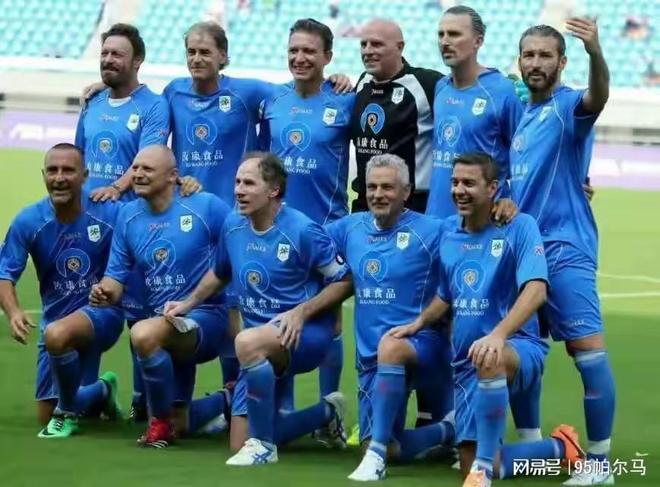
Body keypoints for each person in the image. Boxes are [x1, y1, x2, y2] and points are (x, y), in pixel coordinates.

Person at [398, 153, 581, 487]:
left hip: (517, 348)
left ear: (493, 188)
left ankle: (481, 471)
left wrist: (498, 335)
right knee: (477, 464)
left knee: (490, 361)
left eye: (469, 183)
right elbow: (446, 295)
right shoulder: (449, 234)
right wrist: (418, 323)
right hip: (466, 362)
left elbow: (537, 289)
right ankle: (558, 448)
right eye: (455, 182)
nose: (459, 190)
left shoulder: (519, 226)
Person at [164, 152, 352, 465]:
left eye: (249, 183)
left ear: (274, 190)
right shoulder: (233, 224)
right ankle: (326, 412)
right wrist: (187, 303)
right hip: (255, 346)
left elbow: (345, 281)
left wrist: (301, 313)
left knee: (247, 342)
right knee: (238, 443)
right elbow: (221, 273)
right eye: (237, 182)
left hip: (303, 335)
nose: (238, 190)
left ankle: (264, 447)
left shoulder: (303, 230)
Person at [511, 21, 615, 486]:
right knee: (523, 353)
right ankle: (532, 448)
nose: (536, 63)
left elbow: (598, 97)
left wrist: (595, 51)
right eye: (529, 55)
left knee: (586, 351)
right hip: (524, 254)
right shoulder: (522, 114)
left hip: (565, 248)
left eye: (545, 55)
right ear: (520, 60)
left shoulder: (568, 106)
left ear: (561, 62)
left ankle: (600, 464)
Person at [89, 145, 232, 448]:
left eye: (147, 169)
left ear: (172, 176)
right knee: (183, 423)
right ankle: (227, 400)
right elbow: (115, 277)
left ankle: (159, 424)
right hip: (164, 320)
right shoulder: (128, 215)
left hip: (206, 318)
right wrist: (104, 292)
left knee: (142, 334)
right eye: (135, 168)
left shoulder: (206, 206)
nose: (138, 174)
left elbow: (239, 244)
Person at [325, 154, 454, 481]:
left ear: (406, 192)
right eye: (372, 187)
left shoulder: (432, 230)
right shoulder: (350, 227)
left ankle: (377, 457)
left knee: (391, 347)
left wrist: (503, 210)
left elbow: (473, 238)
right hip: (371, 361)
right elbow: (306, 239)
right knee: (383, 446)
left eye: (387, 187)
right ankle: (449, 429)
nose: (378, 194)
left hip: (421, 346)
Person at [258, 18, 354, 420]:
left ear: (327, 56)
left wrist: (346, 80)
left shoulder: (345, 101)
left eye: (309, 51)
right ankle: (285, 408)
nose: (300, 58)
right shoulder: (273, 101)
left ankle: (330, 409)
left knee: (329, 319)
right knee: (279, 312)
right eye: (294, 50)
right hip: (280, 230)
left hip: (328, 227)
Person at [0, 143, 123, 437]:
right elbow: (4, 273)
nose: (59, 178)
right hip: (55, 321)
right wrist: (13, 312)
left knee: (65, 401)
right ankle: (103, 390)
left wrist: (183, 184)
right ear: (43, 175)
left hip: (103, 315)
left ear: (84, 175)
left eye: (68, 170)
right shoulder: (29, 221)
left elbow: (147, 214)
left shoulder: (108, 212)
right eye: (52, 170)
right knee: (46, 413)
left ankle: (68, 411)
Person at [426, 6, 522, 222]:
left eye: (454, 34)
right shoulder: (441, 87)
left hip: (483, 223)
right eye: (441, 34)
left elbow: (525, 154)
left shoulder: (503, 91)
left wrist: (511, 200)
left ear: (478, 41)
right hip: (437, 221)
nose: (445, 41)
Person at [350, 19, 443, 214]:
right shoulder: (362, 83)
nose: (367, 51)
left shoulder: (427, 83)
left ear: (400, 47)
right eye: (363, 44)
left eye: (376, 44)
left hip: (411, 207)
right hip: (365, 205)